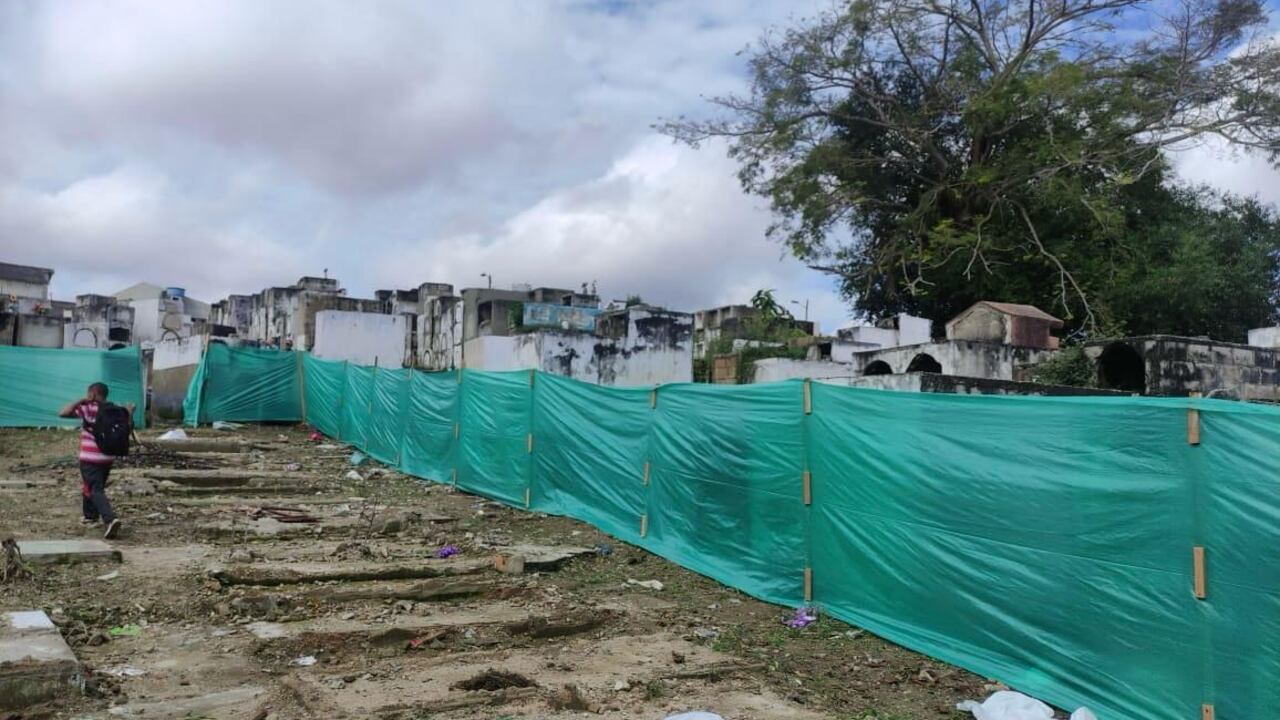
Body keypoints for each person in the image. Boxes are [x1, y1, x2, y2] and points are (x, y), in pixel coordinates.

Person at [58, 383, 132, 539]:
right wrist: (129, 412)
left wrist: (82, 400)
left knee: (95, 489)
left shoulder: (88, 408)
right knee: (91, 486)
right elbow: (128, 427)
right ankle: (90, 515)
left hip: (90, 458)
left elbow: (63, 413)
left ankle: (110, 519)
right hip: (108, 457)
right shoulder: (115, 410)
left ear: (92, 393)